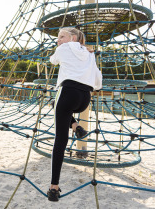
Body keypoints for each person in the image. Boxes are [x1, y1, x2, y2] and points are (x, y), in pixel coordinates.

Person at [47, 27, 102, 202]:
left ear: (73, 37)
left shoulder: (64, 48)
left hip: (68, 92)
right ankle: (75, 125)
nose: (58, 40)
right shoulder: (90, 53)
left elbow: (52, 61)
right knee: (57, 104)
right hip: (85, 98)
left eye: (61, 36)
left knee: (60, 141)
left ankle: (54, 187)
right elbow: (98, 81)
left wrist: (63, 49)